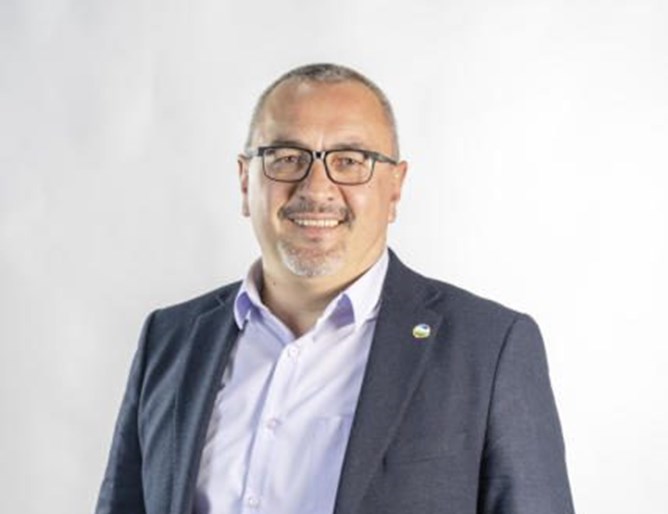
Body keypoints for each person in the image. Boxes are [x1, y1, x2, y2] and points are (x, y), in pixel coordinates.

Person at [95, 63, 575, 514]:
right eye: (287, 158)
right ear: (245, 181)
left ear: (395, 187)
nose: (316, 188)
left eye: (349, 160)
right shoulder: (171, 338)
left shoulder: (488, 348)